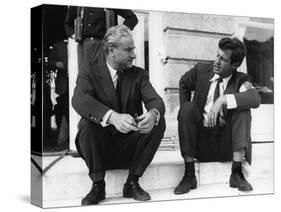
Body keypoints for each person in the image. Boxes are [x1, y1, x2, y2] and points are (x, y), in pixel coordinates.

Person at [72, 25, 166, 205]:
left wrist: (153, 114)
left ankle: (132, 182)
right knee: (86, 123)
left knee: (158, 122)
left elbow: (156, 101)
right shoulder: (89, 71)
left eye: (133, 50)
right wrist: (112, 117)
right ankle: (98, 185)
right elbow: (79, 99)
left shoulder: (139, 75)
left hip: (129, 148)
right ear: (111, 50)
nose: (134, 55)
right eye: (128, 50)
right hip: (99, 149)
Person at [174, 37, 261, 195]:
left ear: (235, 65)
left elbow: (255, 98)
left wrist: (223, 99)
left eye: (223, 59)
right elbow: (183, 83)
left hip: (226, 146)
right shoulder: (201, 70)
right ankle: (189, 174)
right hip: (201, 144)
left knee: (243, 109)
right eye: (217, 56)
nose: (217, 61)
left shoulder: (241, 80)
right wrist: (186, 117)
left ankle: (236, 173)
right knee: (186, 108)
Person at [64, 6, 138, 72]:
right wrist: (74, 35)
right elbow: (68, 24)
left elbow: (132, 18)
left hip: (105, 45)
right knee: (84, 77)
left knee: (106, 77)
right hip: (84, 45)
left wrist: (118, 34)